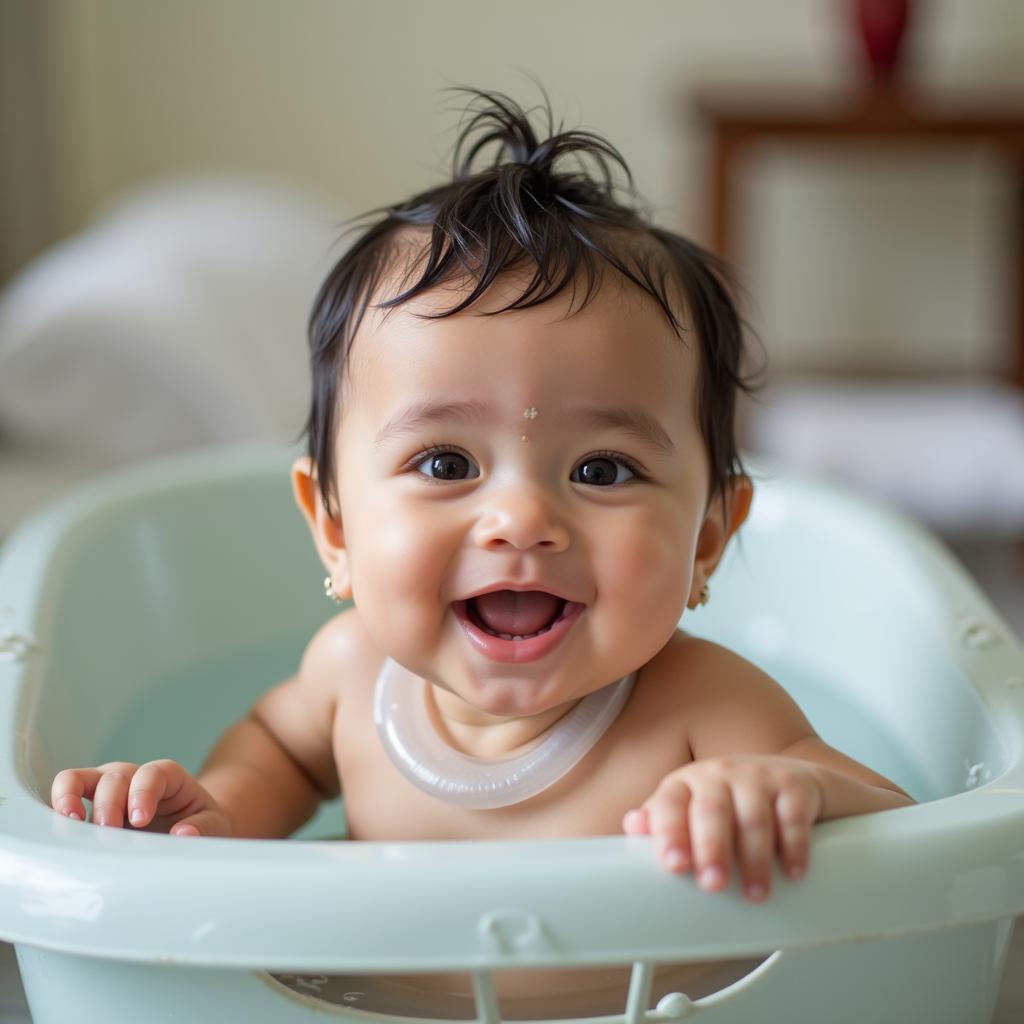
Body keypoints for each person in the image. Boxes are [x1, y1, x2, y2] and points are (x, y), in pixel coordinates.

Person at [51, 87, 911, 931]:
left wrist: (788, 791)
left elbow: (901, 820)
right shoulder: (347, 676)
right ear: (336, 527)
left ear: (708, 540)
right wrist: (219, 815)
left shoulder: (704, 707)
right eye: (447, 462)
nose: (521, 520)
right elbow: (275, 753)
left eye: (603, 469)